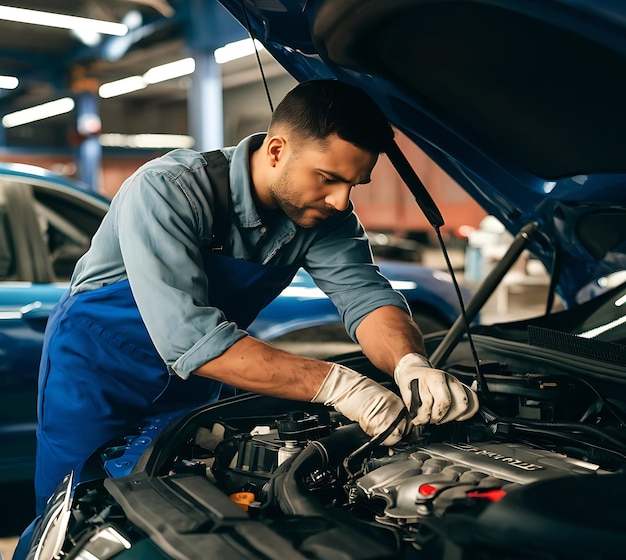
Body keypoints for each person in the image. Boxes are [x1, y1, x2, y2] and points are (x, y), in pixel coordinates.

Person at [34, 79, 479, 514]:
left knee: (188, 503)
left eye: (353, 185)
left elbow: (366, 297)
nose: (341, 201)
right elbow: (190, 339)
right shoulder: (170, 190)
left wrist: (409, 363)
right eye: (328, 178)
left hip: (197, 381)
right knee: (76, 510)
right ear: (276, 150)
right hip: (95, 375)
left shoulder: (323, 216)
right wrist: (341, 385)